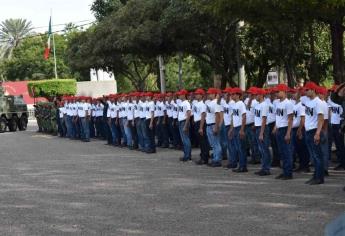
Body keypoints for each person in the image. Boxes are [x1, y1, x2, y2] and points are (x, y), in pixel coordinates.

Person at [304, 82, 325, 185]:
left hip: (314, 130)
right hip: (308, 130)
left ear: (313, 90)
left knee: (317, 155)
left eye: (308, 90)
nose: (306, 91)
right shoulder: (308, 101)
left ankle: (319, 178)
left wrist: (317, 133)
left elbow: (321, 119)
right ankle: (315, 175)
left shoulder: (318, 102)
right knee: (313, 156)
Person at [229, 87, 247, 172]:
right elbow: (233, 117)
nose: (231, 95)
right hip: (235, 127)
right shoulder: (234, 104)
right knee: (237, 148)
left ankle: (243, 166)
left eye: (233, 94)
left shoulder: (241, 104)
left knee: (241, 148)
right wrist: (231, 128)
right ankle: (241, 165)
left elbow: (244, 116)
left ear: (237, 95)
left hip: (240, 127)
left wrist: (242, 129)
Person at [254, 88, 271, 176]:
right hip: (257, 127)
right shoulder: (257, 105)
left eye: (257, 94)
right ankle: (263, 167)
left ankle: (266, 168)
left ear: (261, 95)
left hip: (262, 128)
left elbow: (264, 119)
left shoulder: (264, 105)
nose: (255, 96)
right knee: (261, 149)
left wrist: (261, 132)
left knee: (264, 149)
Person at [205, 88, 223, 167]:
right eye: (209, 93)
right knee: (213, 144)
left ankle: (217, 160)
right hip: (209, 124)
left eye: (211, 93)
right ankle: (215, 158)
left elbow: (217, 115)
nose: (209, 95)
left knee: (216, 143)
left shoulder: (216, 102)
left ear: (215, 94)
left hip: (213, 124)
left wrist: (216, 126)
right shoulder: (210, 102)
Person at [177, 89, 192, 162]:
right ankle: (186, 154)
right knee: (183, 139)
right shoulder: (181, 103)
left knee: (186, 139)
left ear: (183, 95)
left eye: (180, 94)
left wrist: (186, 125)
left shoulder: (186, 103)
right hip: (180, 121)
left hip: (184, 122)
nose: (179, 95)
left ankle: (188, 156)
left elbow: (189, 114)